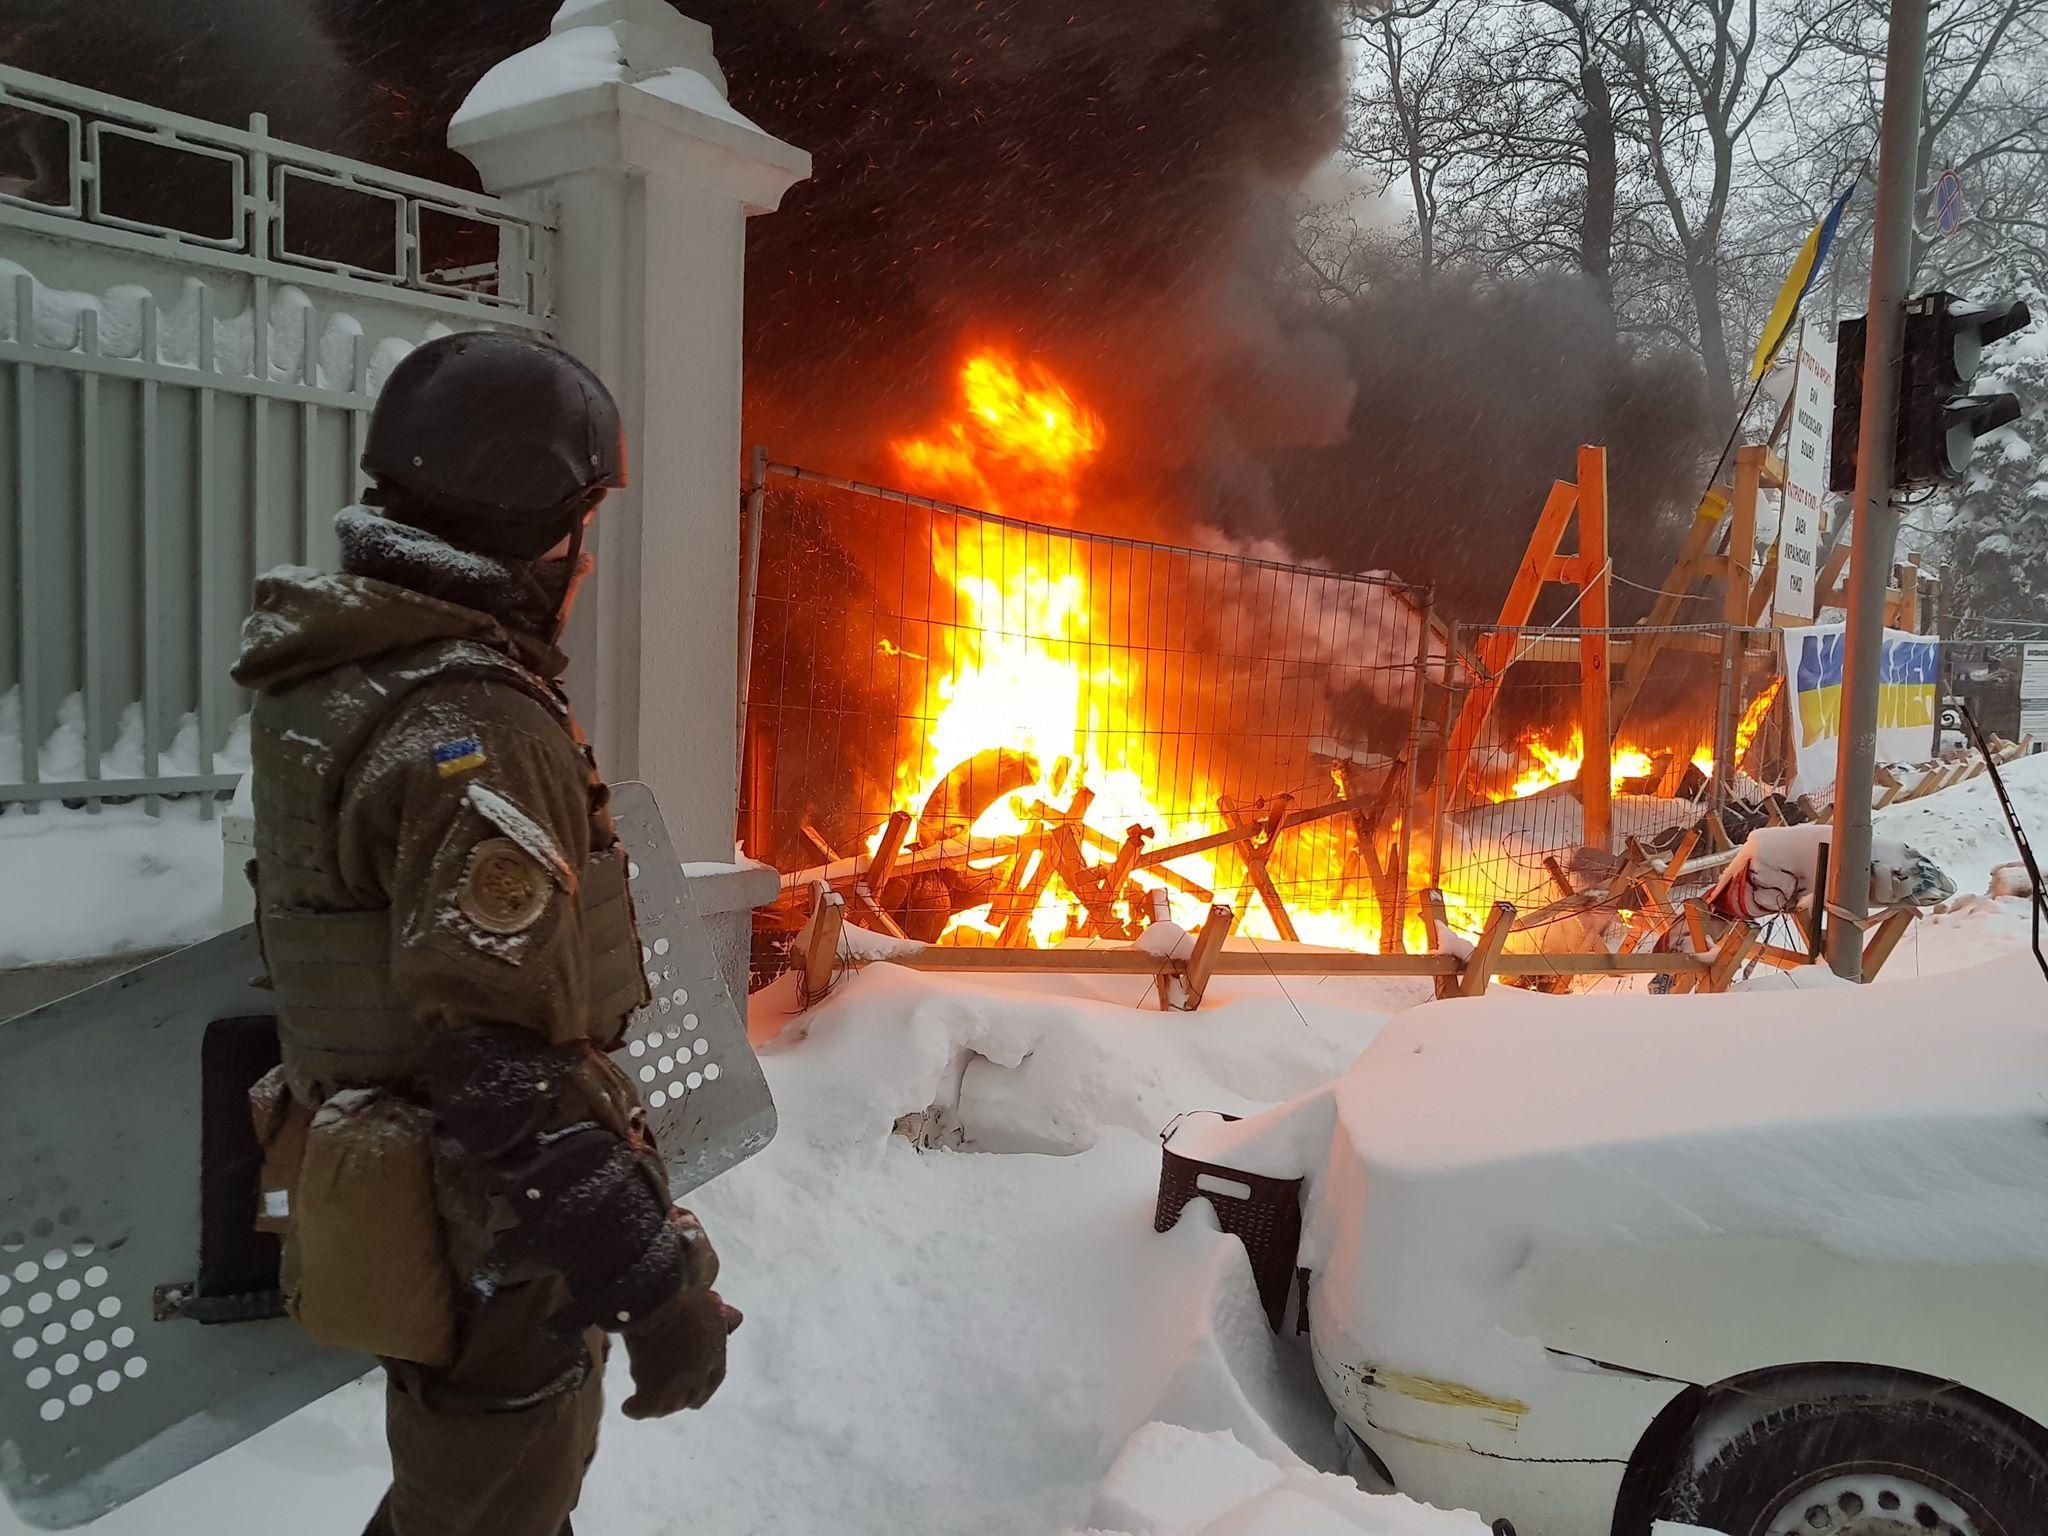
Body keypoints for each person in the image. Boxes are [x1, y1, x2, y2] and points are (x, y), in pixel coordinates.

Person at [231, 332, 739, 1536]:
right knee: (485, 1510)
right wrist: (645, 1278)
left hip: (395, 1183)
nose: (587, 558)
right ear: (532, 530)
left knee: (457, 1505)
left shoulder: (340, 677)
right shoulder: (469, 728)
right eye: (582, 524)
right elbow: (494, 1064)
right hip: (486, 1223)